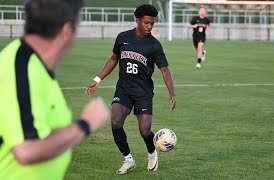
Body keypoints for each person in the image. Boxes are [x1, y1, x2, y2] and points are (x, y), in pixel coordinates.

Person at [0, 0, 110, 179]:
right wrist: (85, 124)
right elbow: (26, 151)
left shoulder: (34, 65)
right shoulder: (22, 68)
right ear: (66, 30)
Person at [86, 4, 176, 175]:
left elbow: (164, 70)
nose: (150, 26)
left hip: (143, 92)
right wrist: (97, 79)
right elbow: (113, 59)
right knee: (115, 121)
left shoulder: (154, 45)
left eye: (152, 24)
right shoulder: (123, 38)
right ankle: (128, 159)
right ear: (138, 21)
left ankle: (152, 153)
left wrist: (172, 93)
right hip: (124, 90)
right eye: (146, 23)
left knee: (144, 131)